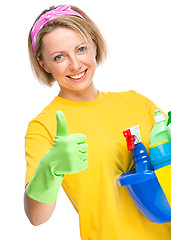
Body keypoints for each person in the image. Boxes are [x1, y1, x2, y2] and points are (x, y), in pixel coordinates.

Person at [24, 4, 171, 240]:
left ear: (94, 45)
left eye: (80, 49)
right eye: (59, 57)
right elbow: (36, 217)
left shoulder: (139, 103)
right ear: (44, 64)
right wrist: (50, 170)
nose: (75, 64)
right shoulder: (45, 126)